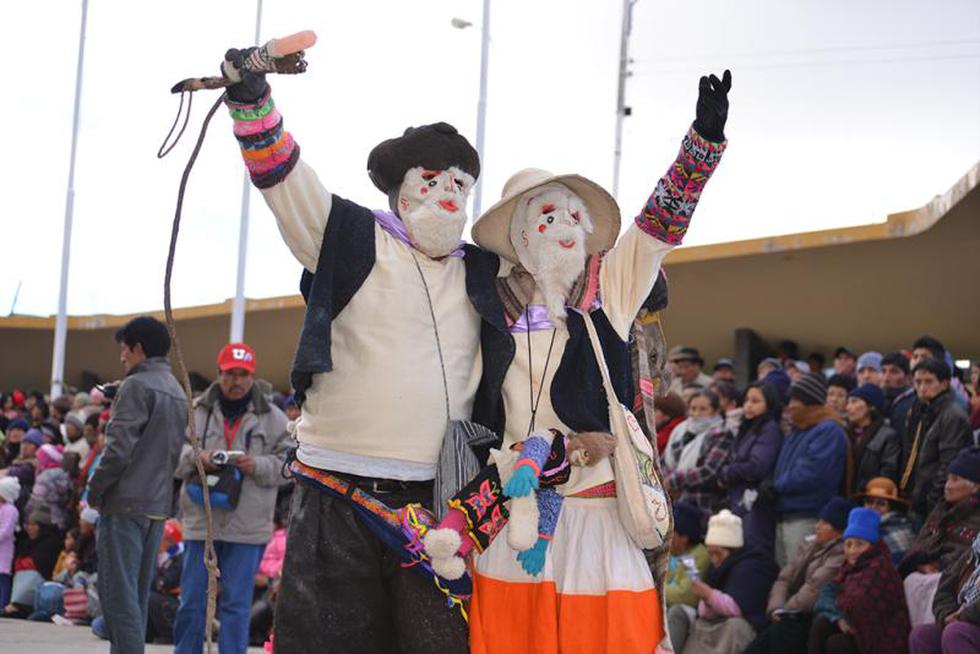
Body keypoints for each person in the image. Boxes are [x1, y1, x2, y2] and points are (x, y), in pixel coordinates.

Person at [219, 43, 490, 653]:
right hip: (335, 490)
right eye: (433, 177)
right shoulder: (350, 234)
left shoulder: (484, 274)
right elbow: (285, 180)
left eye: (461, 182)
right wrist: (251, 100)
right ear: (401, 186)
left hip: (438, 508)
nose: (448, 192)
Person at [465, 70, 731, 654]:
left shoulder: (608, 290)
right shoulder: (488, 307)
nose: (562, 227)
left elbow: (657, 228)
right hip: (519, 513)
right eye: (546, 216)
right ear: (520, 235)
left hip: (600, 512)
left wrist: (701, 145)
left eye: (570, 215)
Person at [173, 342, 292, 654]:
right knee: (191, 602)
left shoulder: (275, 419)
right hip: (203, 522)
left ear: (252, 377)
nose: (236, 381)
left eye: (243, 374)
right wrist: (200, 457)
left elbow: (289, 468)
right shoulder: (196, 411)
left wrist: (258, 465)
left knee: (236, 607)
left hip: (248, 525)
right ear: (218, 374)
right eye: (229, 374)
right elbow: (174, 455)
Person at [86, 316, 188, 654]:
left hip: (125, 502)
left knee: (118, 597)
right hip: (157, 506)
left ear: (138, 348)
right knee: (136, 596)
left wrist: (95, 488)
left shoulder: (136, 387)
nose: (122, 357)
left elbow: (117, 451)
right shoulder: (175, 388)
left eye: (124, 350)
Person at [743, 497, 851, 654]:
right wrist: (776, 608)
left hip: (809, 617)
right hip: (788, 614)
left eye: (825, 523)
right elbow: (784, 578)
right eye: (819, 520)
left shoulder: (840, 553)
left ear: (839, 530)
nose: (818, 526)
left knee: (782, 632)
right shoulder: (810, 545)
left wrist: (785, 612)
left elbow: (814, 588)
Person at [670, 509, 778, 654]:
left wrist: (708, 595)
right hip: (713, 624)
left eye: (718, 553)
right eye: (711, 553)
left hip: (738, 627)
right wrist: (705, 599)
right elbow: (704, 613)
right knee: (696, 621)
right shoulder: (717, 569)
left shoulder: (751, 567)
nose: (714, 560)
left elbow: (738, 608)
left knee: (736, 626)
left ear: (732, 550)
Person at [809, 507, 910, 654]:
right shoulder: (848, 569)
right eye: (848, 544)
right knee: (822, 624)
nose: (852, 551)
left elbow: (858, 605)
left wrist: (840, 611)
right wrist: (838, 618)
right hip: (856, 631)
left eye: (859, 544)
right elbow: (826, 594)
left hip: (881, 641)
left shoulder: (881, 569)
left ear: (873, 546)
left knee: (837, 644)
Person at [773, 373, 848, 567]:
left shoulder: (828, 430)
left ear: (809, 402)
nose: (790, 405)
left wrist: (776, 486)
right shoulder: (798, 429)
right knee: (786, 573)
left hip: (806, 515)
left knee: (800, 574)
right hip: (785, 512)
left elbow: (812, 473)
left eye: (795, 400)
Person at [901, 447, 980, 627]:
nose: (947, 485)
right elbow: (921, 541)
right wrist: (918, 562)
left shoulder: (977, 517)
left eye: (955, 479)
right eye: (947, 478)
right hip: (923, 572)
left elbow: (969, 558)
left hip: (953, 583)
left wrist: (939, 565)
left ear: (975, 486)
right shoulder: (940, 510)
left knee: (934, 586)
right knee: (910, 581)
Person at [900, 358, 972, 519]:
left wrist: (932, 501)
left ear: (945, 383)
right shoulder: (924, 409)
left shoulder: (952, 415)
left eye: (929, 381)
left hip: (934, 504)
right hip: (920, 499)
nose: (922, 387)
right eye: (918, 382)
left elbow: (949, 464)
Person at [718, 381, 782, 552]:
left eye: (755, 401)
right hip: (738, 500)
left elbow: (757, 466)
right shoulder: (748, 428)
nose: (748, 405)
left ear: (769, 403)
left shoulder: (769, 430)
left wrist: (728, 472)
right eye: (746, 400)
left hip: (753, 504)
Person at [908, 532, 980, 654]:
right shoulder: (972, 552)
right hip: (962, 620)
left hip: (972, 620)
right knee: (922, 636)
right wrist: (946, 614)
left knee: (956, 634)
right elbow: (945, 588)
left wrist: (963, 616)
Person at [665, 390, 734, 516]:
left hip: (702, 504)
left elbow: (708, 471)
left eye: (703, 409)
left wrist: (673, 481)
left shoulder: (721, 434)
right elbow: (666, 461)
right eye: (693, 408)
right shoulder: (683, 431)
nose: (696, 414)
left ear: (716, 412)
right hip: (675, 500)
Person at [844, 383, 901, 495]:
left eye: (854, 401)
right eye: (848, 402)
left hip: (869, 496)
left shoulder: (888, 436)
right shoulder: (844, 433)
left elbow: (888, 472)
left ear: (871, 406)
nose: (848, 407)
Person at [857, 477, 916, 566]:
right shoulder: (866, 527)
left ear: (891, 507)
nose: (873, 507)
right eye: (869, 502)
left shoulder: (898, 529)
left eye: (881, 503)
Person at [665, 501, 710, 611]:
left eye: (670, 532)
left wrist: (653, 590)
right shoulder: (670, 553)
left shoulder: (696, 556)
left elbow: (685, 595)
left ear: (684, 537)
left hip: (685, 611)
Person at [146, 520, 184, 645]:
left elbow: (165, 583)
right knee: (100, 625)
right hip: (163, 598)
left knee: (151, 598)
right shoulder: (158, 557)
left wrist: (161, 585)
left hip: (174, 603)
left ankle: (169, 634)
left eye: (164, 539)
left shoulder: (179, 558)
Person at [881, 351, 916, 465]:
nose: (886, 377)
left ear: (908, 377)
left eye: (894, 372)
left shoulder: (913, 405)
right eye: (883, 371)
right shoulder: (882, 402)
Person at [0, 476, 20, 608]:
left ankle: (3, 603)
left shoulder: (10, 510)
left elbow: (6, 531)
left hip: (4, 549)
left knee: (2, 576)